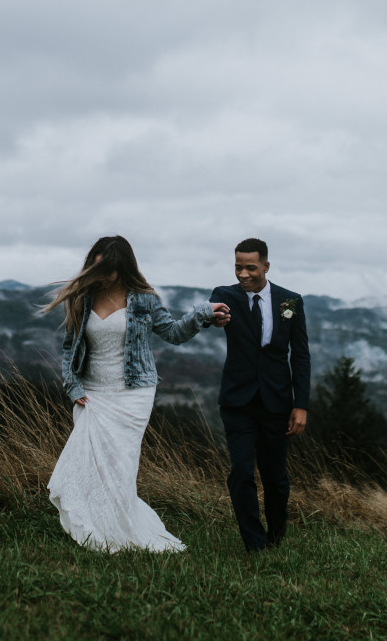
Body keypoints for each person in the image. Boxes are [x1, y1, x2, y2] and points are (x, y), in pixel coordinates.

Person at [45, 235, 231, 552]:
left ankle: (120, 531)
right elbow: (69, 350)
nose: (102, 275)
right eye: (97, 267)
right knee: (89, 463)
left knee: (120, 466)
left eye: (109, 270)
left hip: (134, 393)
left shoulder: (144, 299)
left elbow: (173, 332)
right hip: (93, 392)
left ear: (124, 268)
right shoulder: (82, 298)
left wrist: (202, 313)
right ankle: (94, 526)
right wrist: (72, 385)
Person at [209, 238, 310, 552]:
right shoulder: (224, 296)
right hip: (237, 401)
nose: (243, 274)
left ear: (266, 266)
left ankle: (276, 538)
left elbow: (301, 356)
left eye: (250, 267)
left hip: (277, 401)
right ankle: (255, 544)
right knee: (241, 471)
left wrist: (301, 404)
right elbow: (213, 314)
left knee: (275, 477)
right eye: (238, 266)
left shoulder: (290, 302)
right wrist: (211, 316)